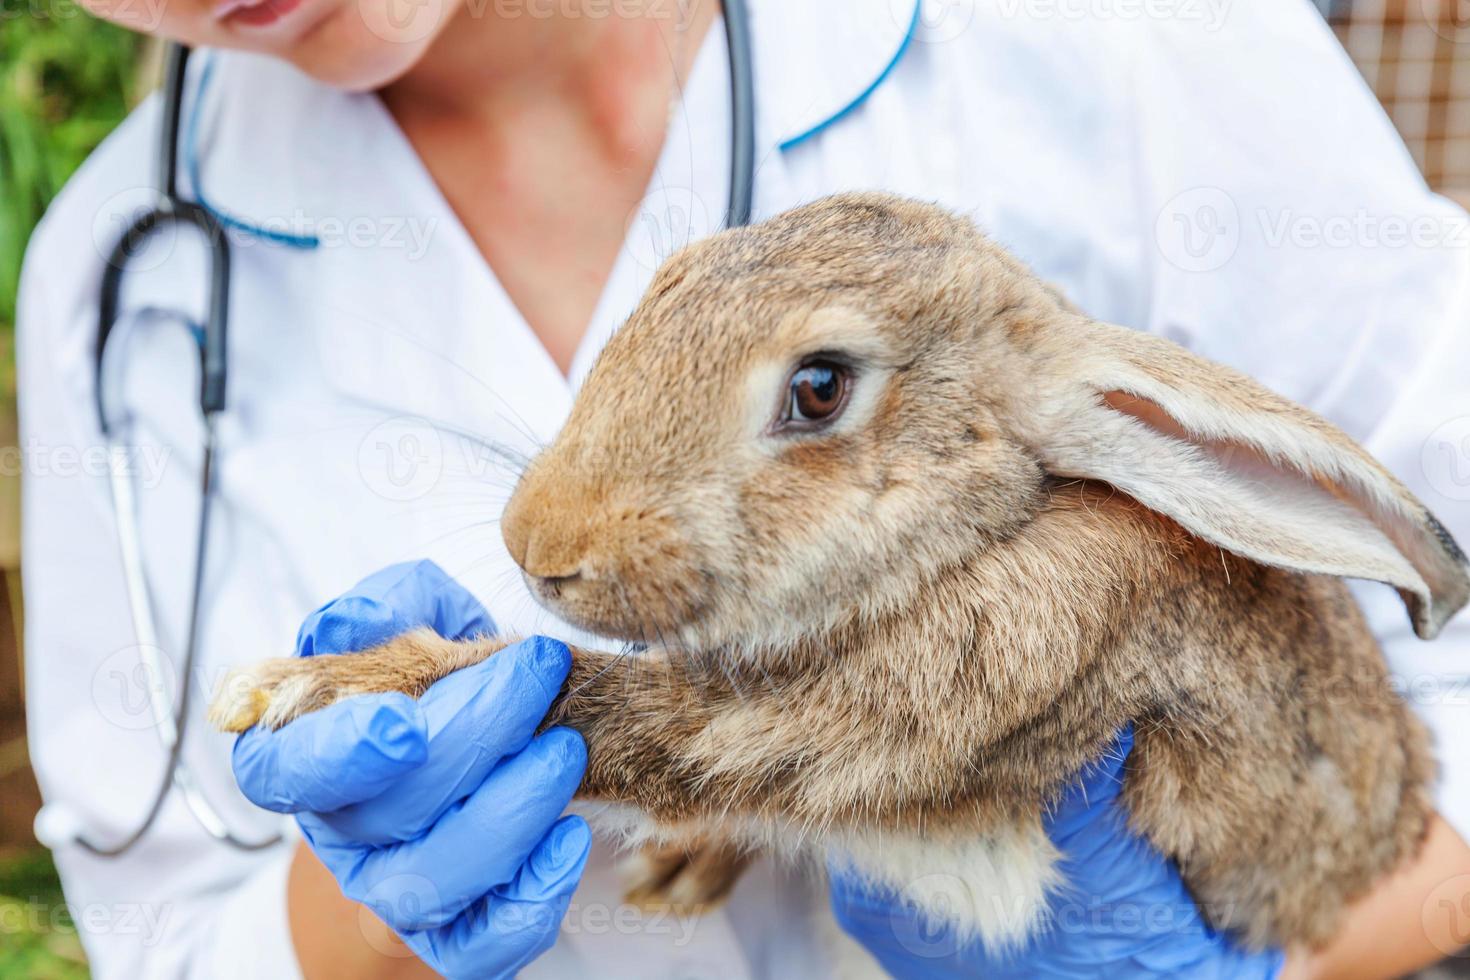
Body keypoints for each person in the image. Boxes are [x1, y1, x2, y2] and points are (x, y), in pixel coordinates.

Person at [18, 0, 1470, 976]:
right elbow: (163, 924)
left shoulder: (1109, 31)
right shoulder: (116, 264)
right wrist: (376, 892)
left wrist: (1262, 961)